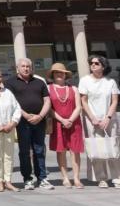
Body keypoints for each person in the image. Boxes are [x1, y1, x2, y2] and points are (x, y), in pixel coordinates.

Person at [5, 57, 52, 190]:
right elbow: (12, 103)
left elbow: (47, 101)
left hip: (39, 121)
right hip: (22, 122)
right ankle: (27, 179)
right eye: (23, 66)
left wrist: (40, 116)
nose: (26, 69)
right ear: (17, 68)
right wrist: (25, 115)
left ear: (31, 68)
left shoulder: (39, 82)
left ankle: (42, 178)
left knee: (39, 150)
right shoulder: (10, 83)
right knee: (24, 151)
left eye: (28, 66)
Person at [78, 54, 120, 187]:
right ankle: (101, 178)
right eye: (91, 63)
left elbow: (115, 101)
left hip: (109, 118)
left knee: (113, 146)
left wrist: (108, 118)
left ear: (103, 66)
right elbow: (83, 101)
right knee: (96, 147)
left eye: (96, 63)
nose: (93, 65)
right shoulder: (85, 80)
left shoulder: (110, 82)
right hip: (92, 119)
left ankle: (117, 177)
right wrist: (92, 118)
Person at [47, 62, 83, 188]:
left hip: (74, 123)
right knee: (61, 151)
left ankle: (77, 178)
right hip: (57, 123)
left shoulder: (74, 89)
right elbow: (49, 108)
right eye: (56, 72)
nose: (59, 74)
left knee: (75, 151)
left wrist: (70, 120)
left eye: (62, 73)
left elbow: (79, 107)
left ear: (65, 75)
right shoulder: (48, 88)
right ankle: (65, 178)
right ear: (53, 74)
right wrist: (62, 120)